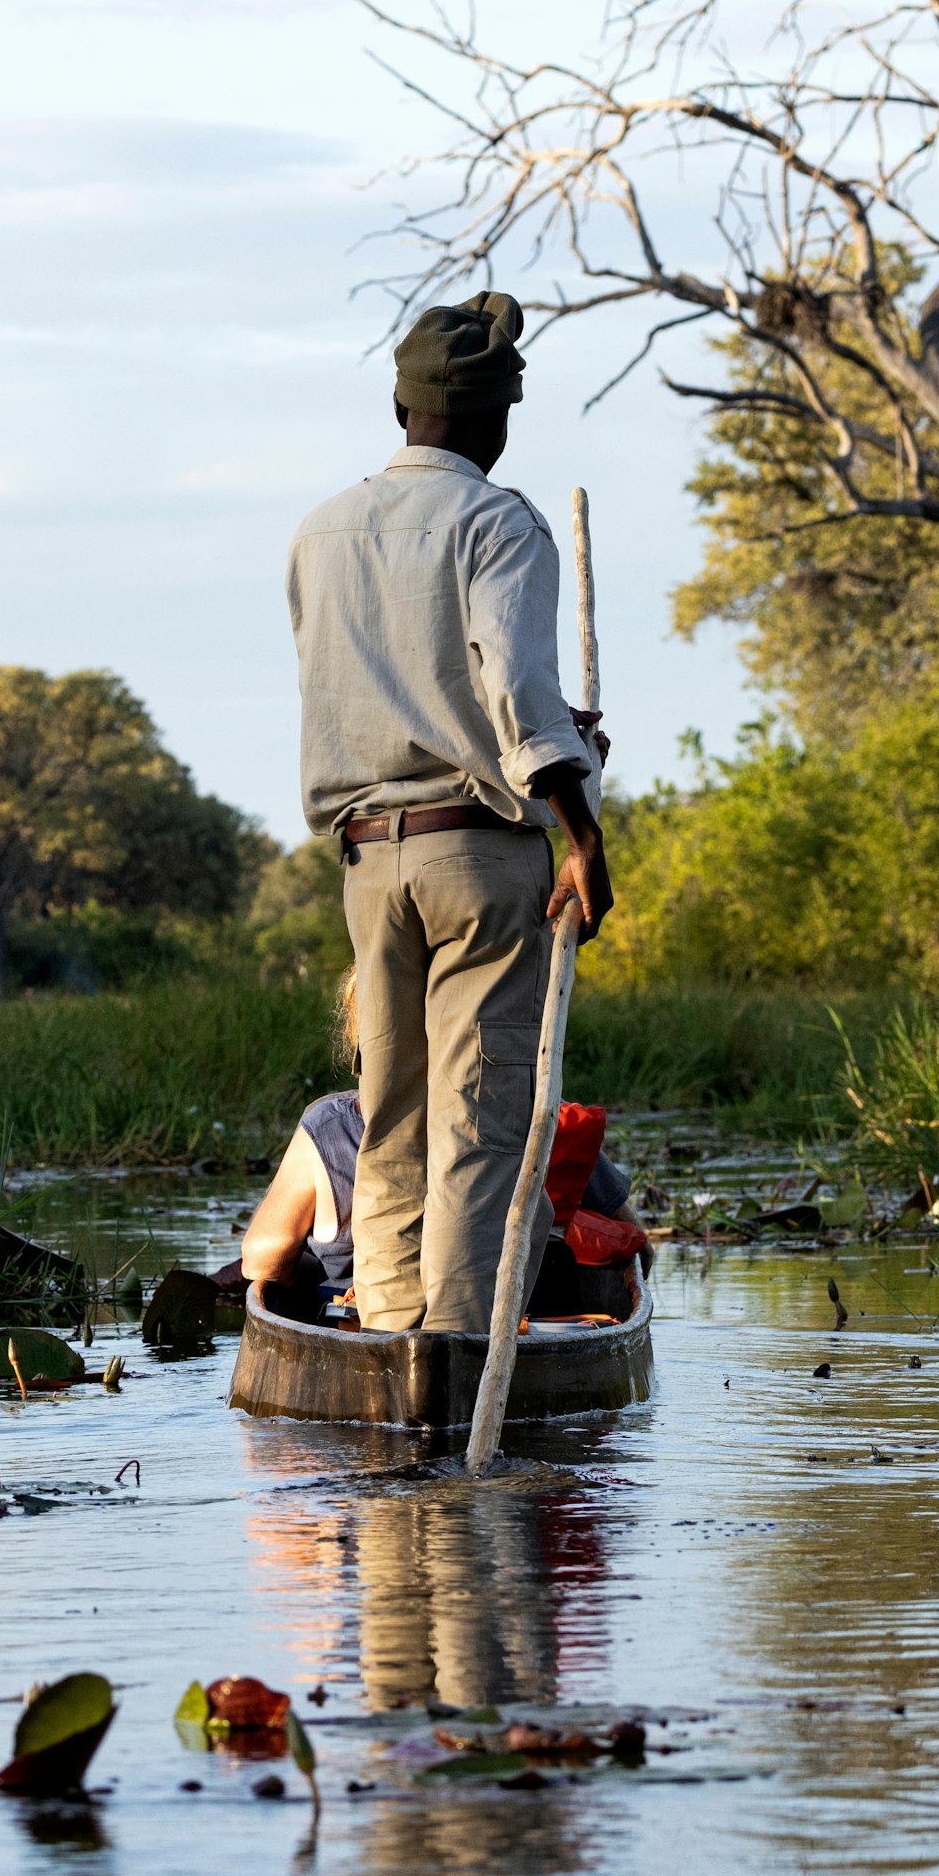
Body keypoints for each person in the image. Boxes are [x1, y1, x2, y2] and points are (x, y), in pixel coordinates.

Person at [285, 290, 614, 1336]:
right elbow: (511, 690)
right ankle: (463, 1347)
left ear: (400, 405)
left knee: (393, 1114)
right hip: (477, 855)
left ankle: (388, 1338)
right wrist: (583, 829)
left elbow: (377, 690)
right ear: (500, 419)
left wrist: (543, 731)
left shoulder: (320, 530)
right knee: (479, 1119)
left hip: (367, 861)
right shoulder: (497, 521)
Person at [223, 1082, 639, 1324]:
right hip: (512, 1317)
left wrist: (304, 1282)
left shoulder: (333, 1123)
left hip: (370, 1322)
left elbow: (263, 1259)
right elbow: (634, 1244)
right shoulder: (534, 1110)